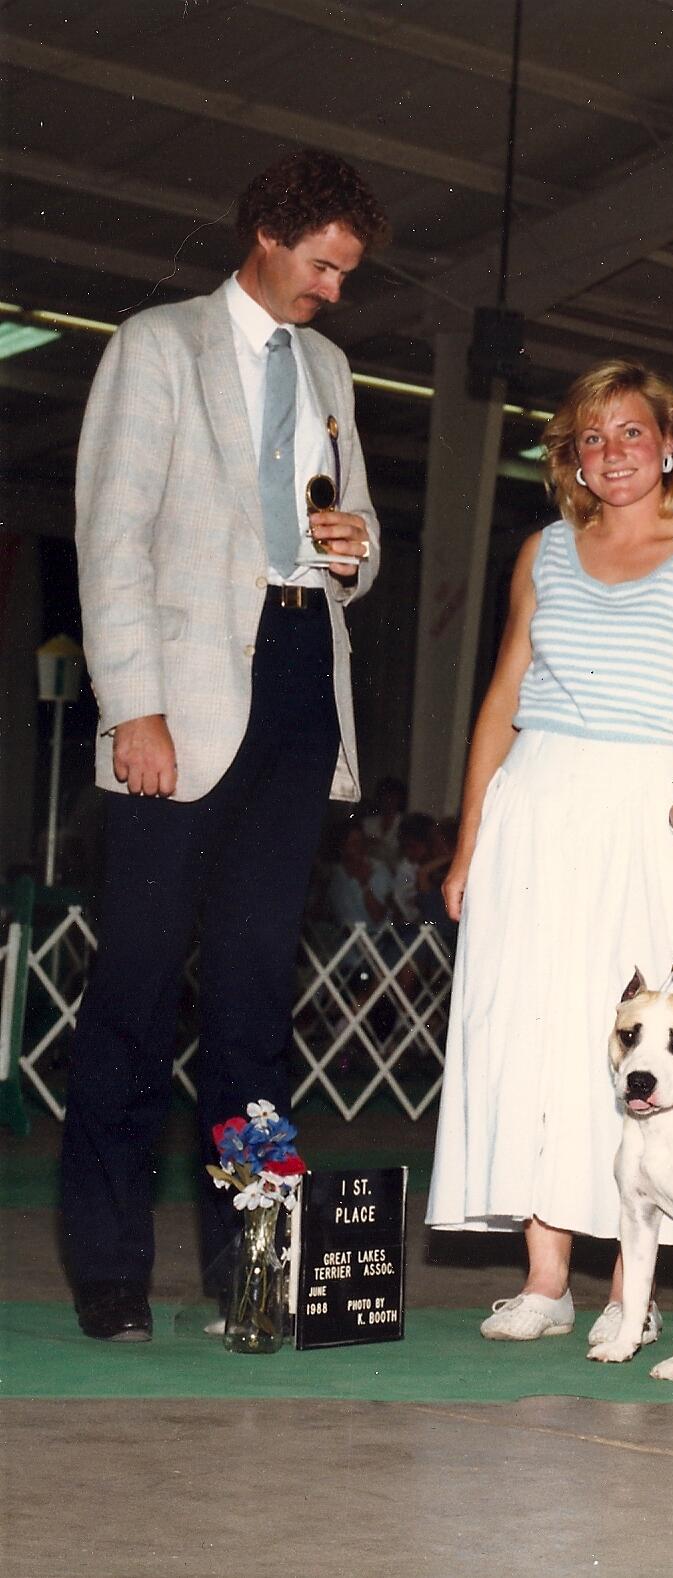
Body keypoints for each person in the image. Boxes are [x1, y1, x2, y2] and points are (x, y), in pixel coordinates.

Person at [59, 148, 388, 1343]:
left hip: (303, 683)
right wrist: (130, 705)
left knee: (256, 1000)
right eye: (322, 267)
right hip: (182, 704)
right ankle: (110, 1274)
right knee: (135, 992)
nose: (335, 292)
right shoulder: (157, 346)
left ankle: (255, 1271)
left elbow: (359, 545)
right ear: (263, 233)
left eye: (347, 274)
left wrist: (352, 553)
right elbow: (112, 538)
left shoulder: (333, 367)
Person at [427, 358, 673, 1343]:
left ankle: (634, 1287)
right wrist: (469, 843)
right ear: (570, 461)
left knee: (642, 1046)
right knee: (533, 1035)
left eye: (630, 433)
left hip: (646, 806)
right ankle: (545, 1281)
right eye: (591, 439)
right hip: (536, 804)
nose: (611, 453)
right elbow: (499, 702)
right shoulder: (542, 551)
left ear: (670, 445)